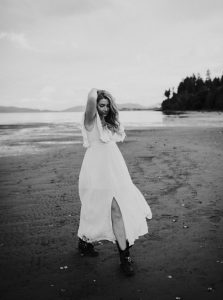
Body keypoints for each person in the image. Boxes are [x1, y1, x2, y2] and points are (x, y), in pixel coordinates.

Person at [77, 88, 152, 276]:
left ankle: (124, 256)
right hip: (95, 170)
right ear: (95, 107)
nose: (105, 109)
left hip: (115, 169)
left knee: (117, 210)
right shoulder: (89, 120)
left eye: (108, 105)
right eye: (101, 105)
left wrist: (105, 99)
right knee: (94, 207)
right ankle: (84, 241)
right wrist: (98, 90)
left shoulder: (110, 124)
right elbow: (91, 96)